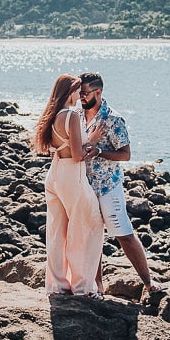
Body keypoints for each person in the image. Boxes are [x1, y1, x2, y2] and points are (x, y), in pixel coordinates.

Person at [78, 72, 163, 297]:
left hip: (108, 186)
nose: (81, 98)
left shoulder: (113, 120)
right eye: (79, 93)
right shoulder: (77, 115)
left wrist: (100, 152)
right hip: (84, 186)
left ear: (98, 92)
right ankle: (97, 288)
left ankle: (148, 282)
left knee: (123, 233)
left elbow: (125, 155)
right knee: (91, 236)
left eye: (85, 93)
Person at [32, 74, 104, 296]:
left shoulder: (52, 116)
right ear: (69, 92)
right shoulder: (71, 115)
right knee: (88, 227)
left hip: (55, 174)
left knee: (57, 231)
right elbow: (77, 155)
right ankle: (83, 287)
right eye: (77, 90)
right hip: (73, 176)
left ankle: (58, 285)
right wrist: (93, 140)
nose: (80, 95)